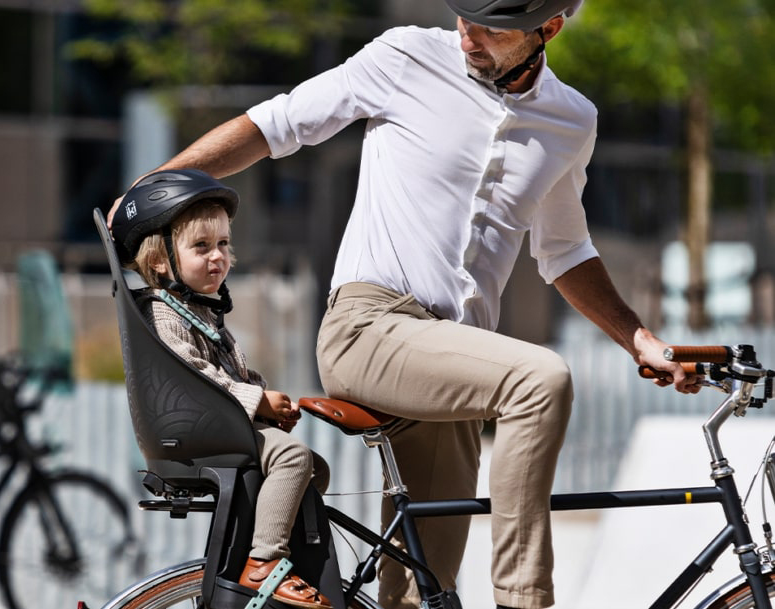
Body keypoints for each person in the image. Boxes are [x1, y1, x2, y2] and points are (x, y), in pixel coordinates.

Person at [108, 2, 702, 607]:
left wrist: (638, 338)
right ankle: (525, 600)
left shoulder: (571, 120)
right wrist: (146, 193)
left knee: (423, 595)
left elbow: (566, 251)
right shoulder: (405, 56)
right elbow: (274, 126)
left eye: (492, 31)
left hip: (457, 363)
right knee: (540, 379)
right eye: (464, 19)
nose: (468, 38)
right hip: (369, 328)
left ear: (547, 30)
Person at [111, 169, 332, 609]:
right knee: (292, 457)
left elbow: (229, 372)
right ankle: (265, 561)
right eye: (201, 247)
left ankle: (263, 541)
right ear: (159, 261)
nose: (219, 257)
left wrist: (266, 405)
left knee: (315, 472)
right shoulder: (164, 314)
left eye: (224, 245)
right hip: (201, 430)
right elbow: (193, 376)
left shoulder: (199, 311)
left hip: (219, 424)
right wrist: (255, 401)